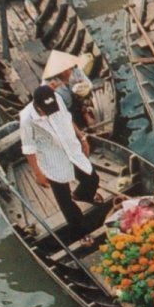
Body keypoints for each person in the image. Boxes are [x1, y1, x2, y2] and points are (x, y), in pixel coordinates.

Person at [19, 84, 99, 243]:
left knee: (92, 178)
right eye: (45, 110)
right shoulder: (27, 118)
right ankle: (81, 232)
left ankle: (81, 194)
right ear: (37, 105)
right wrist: (38, 174)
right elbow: (28, 148)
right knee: (65, 203)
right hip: (51, 160)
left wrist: (82, 138)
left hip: (71, 150)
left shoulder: (58, 100)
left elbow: (68, 119)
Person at [42, 48, 96, 130]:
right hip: (63, 109)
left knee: (83, 95)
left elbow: (90, 85)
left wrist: (83, 85)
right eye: (64, 69)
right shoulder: (48, 82)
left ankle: (86, 115)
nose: (68, 71)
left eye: (69, 68)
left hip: (78, 104)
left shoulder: (76, 71)